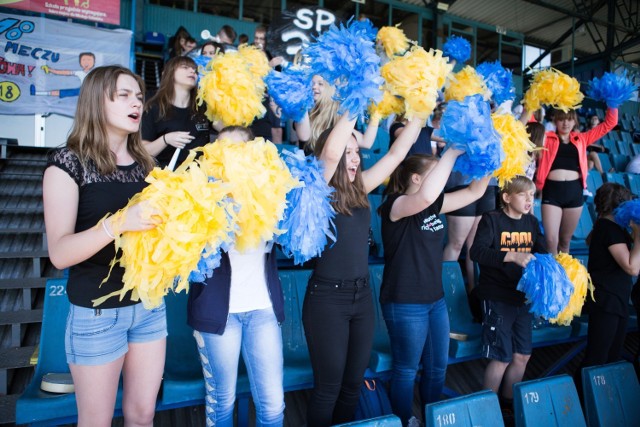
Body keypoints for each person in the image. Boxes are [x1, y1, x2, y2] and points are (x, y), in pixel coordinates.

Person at [42, 65, 165, 427]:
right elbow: (60, 253)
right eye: (124, 95)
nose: (137, 103)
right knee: (96, 421)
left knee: (142, 416)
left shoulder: (148, 164)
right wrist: (117, 224)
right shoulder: (68, 163)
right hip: (97, 314)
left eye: (140, 96)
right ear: (97, 101)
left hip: (149, 306)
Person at [303, 114, 424, 426]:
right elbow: (330, 154)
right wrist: (357, 98)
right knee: (328, 388)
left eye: (356, 152)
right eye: (348, 152)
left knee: (353, 385)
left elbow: (398, 153)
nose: (354, 158)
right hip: (327, 299)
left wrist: (421, 108)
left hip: (361, 296)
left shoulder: (362, 188)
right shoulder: (320, 188)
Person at [379, 153, 490, 425]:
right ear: (416, 178)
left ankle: (432, 416)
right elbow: (424, 198)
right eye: (435, 172)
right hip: (405, 302)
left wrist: (491, 156)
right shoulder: (394, 205)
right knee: (406, 370)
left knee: (437, 368)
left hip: (434, 301)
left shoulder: (434, 205)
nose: (444, 178)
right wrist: (450, 153)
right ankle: (404, 420)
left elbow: (475, 191)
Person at [187, 126, 286, 427]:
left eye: (237, 148)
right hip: (219, 316)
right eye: (221, 149)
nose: (228, 155)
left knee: (272, 406)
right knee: (222, 405)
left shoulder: (271, 191)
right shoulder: (196, 194)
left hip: (263, 312)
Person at [469, 176, 546, 415]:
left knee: (522, 355)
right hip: (497, 296)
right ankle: (487, 411)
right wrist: (510, 255)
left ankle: (507, 406)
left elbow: (543, 255)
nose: (529, 200)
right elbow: (476, 252)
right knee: (501, 357)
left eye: (532, 195)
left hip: (522, 297)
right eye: (523, 194)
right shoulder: (492, 220)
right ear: (506, 197)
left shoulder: (532, 222)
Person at [536, 107, 618, 254]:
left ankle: (563, 276)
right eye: (561, 119)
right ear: (555, 121)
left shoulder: (582, 139)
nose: (565, 123)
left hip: (574, 193)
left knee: (565, 242)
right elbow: (528, 128)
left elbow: (609, 124)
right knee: (550, 242)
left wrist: (613, 104)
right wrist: (531, 103)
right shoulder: (546, 137)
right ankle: (552, 276)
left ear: (574, 121)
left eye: (569, 119)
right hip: (551, 192)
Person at [582, 183, 640, 368]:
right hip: (607, 301)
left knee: (611, 356)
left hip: (616, 299)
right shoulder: (608, 228)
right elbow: (632, 268)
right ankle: (582, 395)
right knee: (598, 357)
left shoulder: (612, 228)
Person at [141, 56, 212, 168]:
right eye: (185, 67)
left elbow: (226, 127)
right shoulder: (153, 107)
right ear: (170, 73)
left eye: (195, 69)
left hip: (199, 177)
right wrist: (166, 139)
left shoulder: (203, 106)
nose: (192, 71)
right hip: (165, 177)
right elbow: (143, 152)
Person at [30, 52, 95, 98]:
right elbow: (64, 72)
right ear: (80, 62)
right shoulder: (80, 73)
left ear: (93, 62)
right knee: (61, 92)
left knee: (62, 92)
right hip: (82, 90)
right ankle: (36, 93)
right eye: (83, 60)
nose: (86, 62)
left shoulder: (96, 73)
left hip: (92, 92)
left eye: (89, 60)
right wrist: (50, 70)